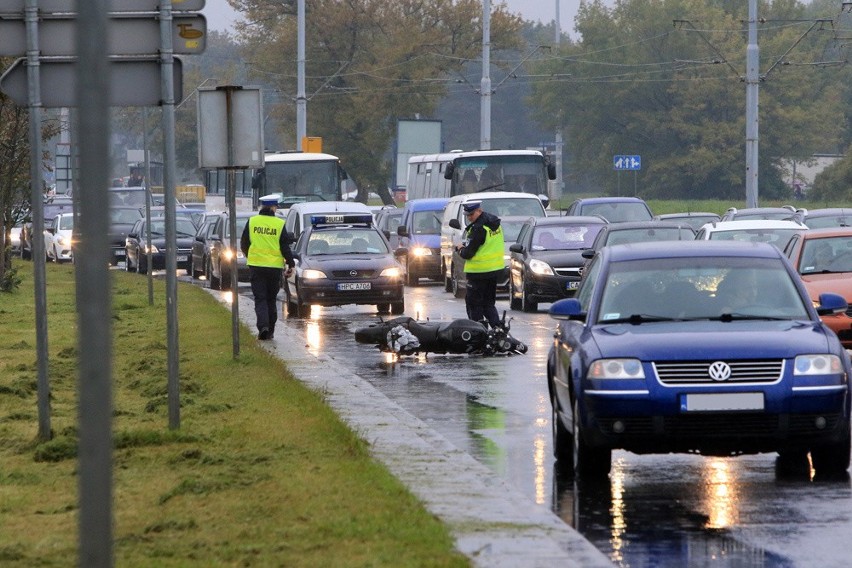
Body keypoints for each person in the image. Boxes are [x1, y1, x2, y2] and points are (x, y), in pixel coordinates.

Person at [240, 196, 295, 340]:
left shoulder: (252, 222)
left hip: (256, 267)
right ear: (272, 208)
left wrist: (250, 256)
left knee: (260, 298)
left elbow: (244, 243)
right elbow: (284, 246)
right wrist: (291, 263)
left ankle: (263, 327)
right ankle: (270, 330)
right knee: (271, 299)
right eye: (276, 207)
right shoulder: (279, 223)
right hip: (274, 268)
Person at [455, 200, 504, 328]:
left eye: (471, 214)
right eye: (467, 215)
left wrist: (460, 248)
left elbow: (468, 254)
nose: (469, 218)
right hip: (493, 271)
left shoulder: (478, 228)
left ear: (479, 211)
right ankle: (497, 330)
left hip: (478, 273)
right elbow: (487, 245)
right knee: (488, 303)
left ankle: (478, 331)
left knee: (473, 304)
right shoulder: (494, 223)